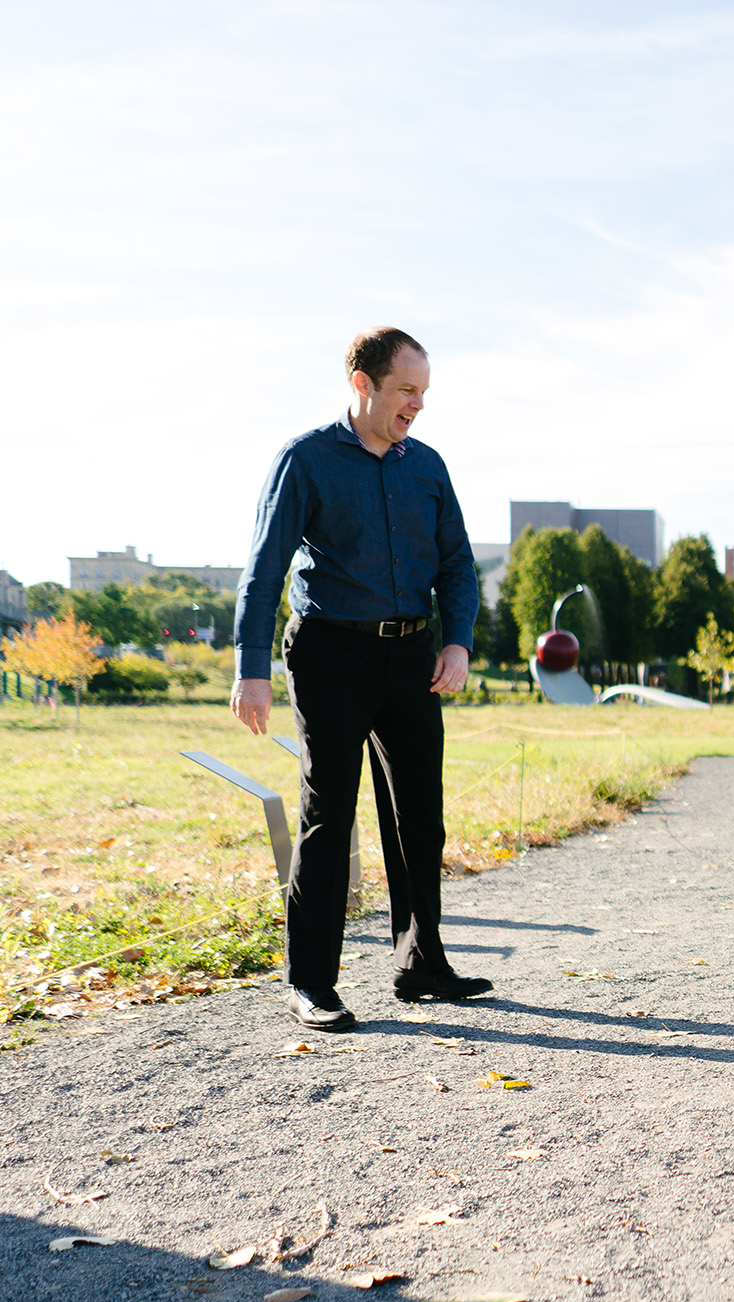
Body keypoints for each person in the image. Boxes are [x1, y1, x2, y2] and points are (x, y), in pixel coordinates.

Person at [232, 328, 488, 1033]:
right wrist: (251, 668)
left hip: (410, 656)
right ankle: (311, 983)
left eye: (424, 393)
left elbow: (457, 566)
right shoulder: (307, 459)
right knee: (329, 814)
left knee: (420, 819)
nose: (417, 406)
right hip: (329, 656)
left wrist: (458, 643)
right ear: (363, 384)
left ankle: (422, 962)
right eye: (407, 390)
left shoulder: (427, 468)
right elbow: (264, 568)